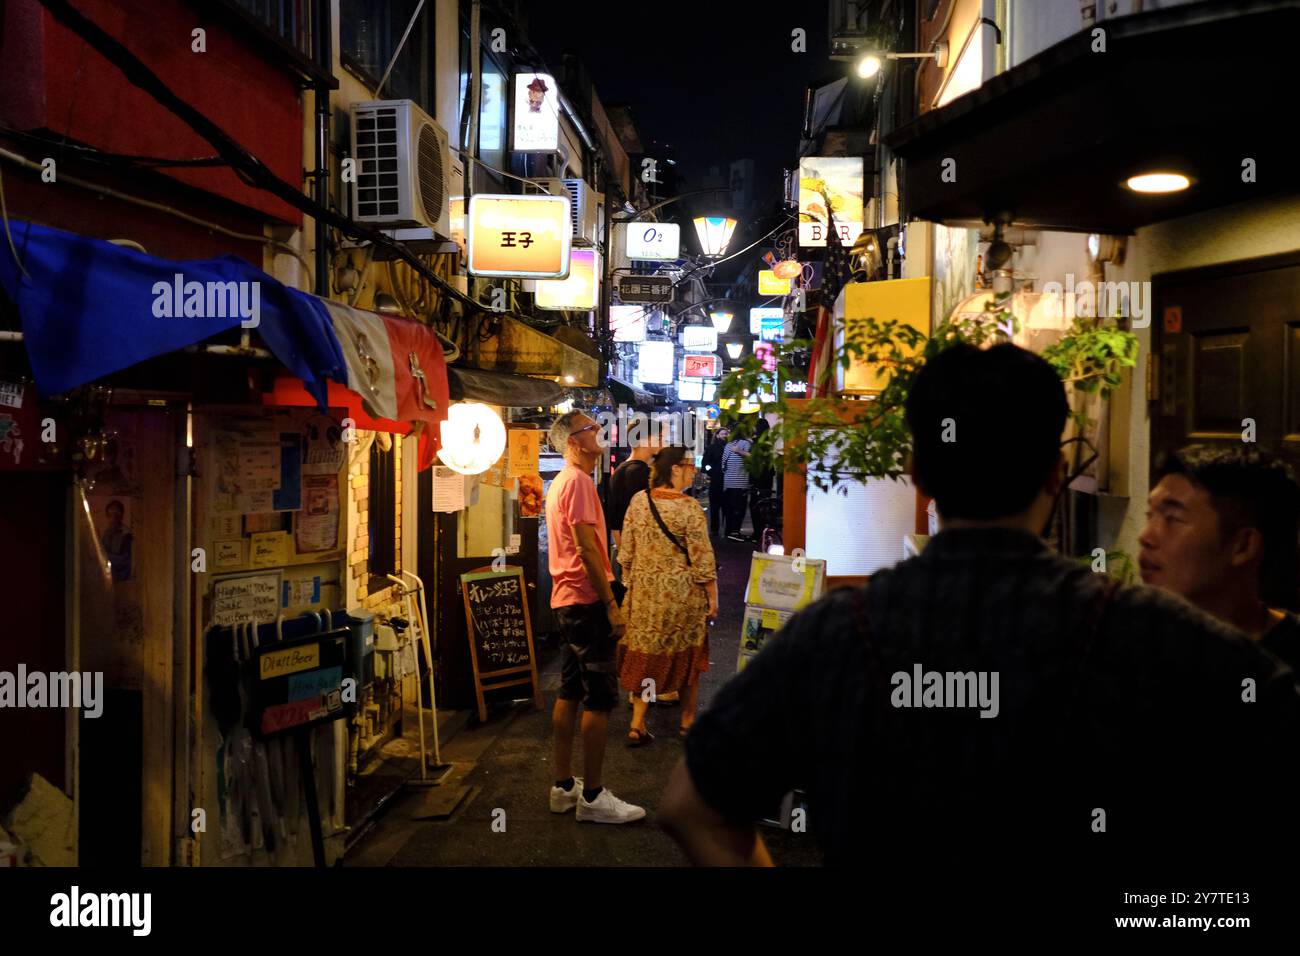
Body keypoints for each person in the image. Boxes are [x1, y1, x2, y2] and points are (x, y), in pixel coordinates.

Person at [659, 343, 1299, 868]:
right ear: (1054, 472)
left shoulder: (837, 631)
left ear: (917, 472)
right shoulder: (1151, 632)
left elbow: (692, 804)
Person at [544, 410, 646, 824]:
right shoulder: (580, 482)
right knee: (600, 697)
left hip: (565, 599)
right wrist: (610, 604)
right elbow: (588, 549)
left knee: (569, 690)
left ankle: (563, 786)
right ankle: (593, 795)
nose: (600, 434)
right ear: (574, 441)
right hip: (587, 600)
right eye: (592, 429)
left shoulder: (562, 483)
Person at [1139, 444, 1300, 670]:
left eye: (1172, 518)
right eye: (1150, 515)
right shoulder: (1122, 645)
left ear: (1242, 546)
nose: (1145, 536)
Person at [617, 447, 718, 745]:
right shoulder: (688, 507)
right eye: (689, 465)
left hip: (645, 598)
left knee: (647, 662)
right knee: (688, 661)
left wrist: (633, 584)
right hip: (682, 598)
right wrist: (713, 598)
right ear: (674, 469)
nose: (692, 471)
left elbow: (626, 553)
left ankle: (637, 723)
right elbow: (702, 559)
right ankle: (687, 721)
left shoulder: (639, 501)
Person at [720, 431, 752, 541]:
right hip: (741, 482)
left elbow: (723, 464)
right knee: (739, 508)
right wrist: (739, 452)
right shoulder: (746, 444)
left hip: (728, 482)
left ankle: (728, 531)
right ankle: (735, 531)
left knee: (729, 508)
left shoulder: (728, 445)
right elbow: (752, 459)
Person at [748, 417, 776, 543]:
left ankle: (758, 533)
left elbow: (755, 457)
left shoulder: (758, 443)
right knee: (765, 506)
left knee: (756, 506)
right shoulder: (769, 441)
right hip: (767, 478)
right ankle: (763, 532)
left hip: (758, 478)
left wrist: (740, 451)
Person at [702, 427, 729, 538]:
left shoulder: (728, 447)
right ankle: (715, 530)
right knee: (715, 507)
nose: (725, 436)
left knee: (726, 506)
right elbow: (705, 463)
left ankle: (726, 530)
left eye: (726, 434)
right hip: (717, 480)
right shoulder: (712, 448)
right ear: (717, 435)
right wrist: (712, 472)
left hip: (726, 480)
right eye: (723, 434)